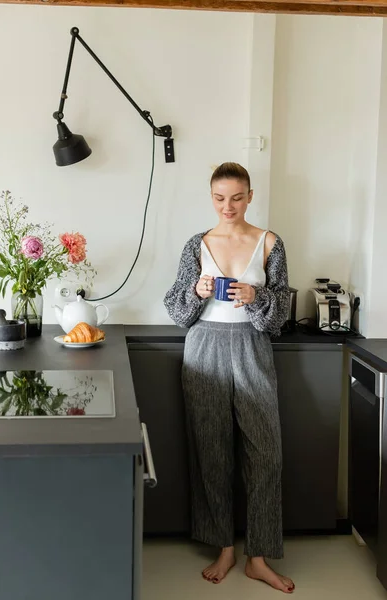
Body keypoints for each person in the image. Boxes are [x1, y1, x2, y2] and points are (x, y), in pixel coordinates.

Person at [163, 162, 294, 594]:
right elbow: (177, 310)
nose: (228, 206)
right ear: (211, 197)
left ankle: (258, 557)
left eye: (237, 197)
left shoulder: (270, 243)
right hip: (203, 348)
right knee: (211, 450)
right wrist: (197, 292)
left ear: (250, 196)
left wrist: (257, 297)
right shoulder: (195, 245)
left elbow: (279, 319)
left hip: (252, 346)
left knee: (265, 452)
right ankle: (224, 547)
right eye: (220, 198)